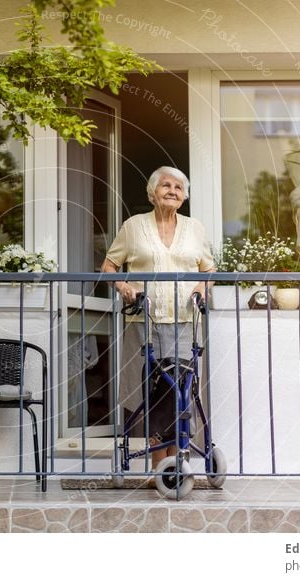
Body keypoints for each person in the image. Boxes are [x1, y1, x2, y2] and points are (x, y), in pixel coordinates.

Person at [101, 166, 215, 481]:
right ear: (153, 192)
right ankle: (159, 464)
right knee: (153, 390)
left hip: (184, 321)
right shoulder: (133, 226)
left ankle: (175, 460)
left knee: (179, 389)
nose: (172, 191)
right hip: (145, 319)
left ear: (184, 196)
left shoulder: (195, 229)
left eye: (179, 187)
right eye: (166, 185)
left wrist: (201, 288)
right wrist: (124, 287)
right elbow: (109, 266)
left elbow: (208, 270)